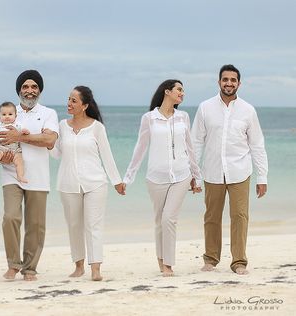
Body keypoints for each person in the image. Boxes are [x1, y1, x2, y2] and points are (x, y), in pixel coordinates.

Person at [0, 69, 59, 281]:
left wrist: (20, 138)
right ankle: (13, 264)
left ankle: (30, 268)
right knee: (10, 218)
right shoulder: (8, 111)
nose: (30, 90)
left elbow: (50, 141)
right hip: (11, 175)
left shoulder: (48, 113)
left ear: (40, 90)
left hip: (39, 176)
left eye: (34, 86)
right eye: (25, 86)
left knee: (35, 225)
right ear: (19, 91)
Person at [191, 64, 268, 275]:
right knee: (211, 217)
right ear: (219, 82)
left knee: (240, 217)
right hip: (212, 172)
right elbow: (196, 142)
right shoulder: (205, 107)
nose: (229, 83)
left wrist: (263, 176)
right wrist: (194, 175)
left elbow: (257, 145)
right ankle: (211, 259)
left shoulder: (248, 110)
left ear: (239, 84)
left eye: (233, 80)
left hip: (240, 171)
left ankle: (239, 261)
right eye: (225, 79)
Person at [122, 79, 202, 277]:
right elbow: (139, 150)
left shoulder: (183, 117)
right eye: (179, 90)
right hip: (156, 178)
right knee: (159, 221)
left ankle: (168, 264)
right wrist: (128, 178)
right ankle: (161, 260)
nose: (182, 94)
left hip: (182, 176)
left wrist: (196, 177)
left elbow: (190, 149)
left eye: (183, 90)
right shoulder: (149, 118)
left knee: (169, 219)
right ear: (167, 92)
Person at [50, 86, 125, 281]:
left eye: (74, 100)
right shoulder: (62, 126)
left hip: (95, 183)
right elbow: (57, 154)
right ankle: (79, 265)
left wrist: (117, 181)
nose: (69, 103)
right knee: (74, 225)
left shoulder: (97, 127)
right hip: (67, 184)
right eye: (68, 99)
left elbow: (107, 156)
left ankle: (96, 268)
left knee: (94, 225)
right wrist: (46, 141)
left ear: (84, 105)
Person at [0, 101, 28, 183]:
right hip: (1, 147)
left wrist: (25, 131)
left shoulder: (18, 125)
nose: (7, 117)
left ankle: (20, 176)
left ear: (15, 116)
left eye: (10, 114)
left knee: (19, 161)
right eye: (4, 114)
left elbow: (23, 131)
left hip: (15, 149)